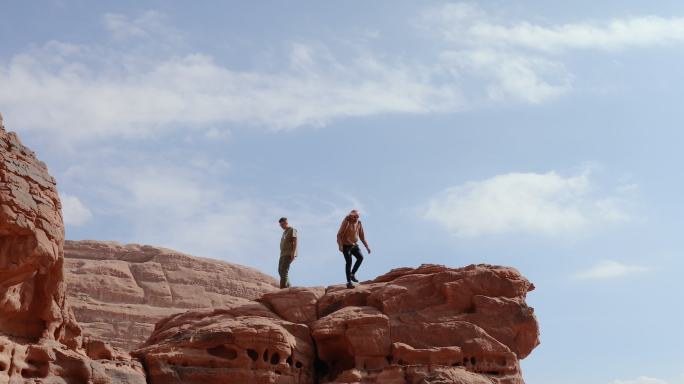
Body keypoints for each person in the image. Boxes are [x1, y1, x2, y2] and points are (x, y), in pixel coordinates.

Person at [336, 210, 371, 288]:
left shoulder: (359, 223)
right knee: (349, 262)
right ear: (351, 216)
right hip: (345, 245)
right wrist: (340, 246)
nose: (355, 218)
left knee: (360, 257)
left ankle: (352, 274)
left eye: (357, 216)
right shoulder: (346, 222)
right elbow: (339, 235)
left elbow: (362, 236)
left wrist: (367, 247)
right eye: (354, 216)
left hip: (354, 245)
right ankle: (349, 282)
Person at [278, 217, 297, 289]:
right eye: (281, 225)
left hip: (288, 253)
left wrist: (293, 253)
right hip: (282, 254)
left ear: (286, 222)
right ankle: (289, 287)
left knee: (284, 271)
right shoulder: (284, 232)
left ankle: (283, 288)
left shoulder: (292, 230)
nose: (282, 226)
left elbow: (295, 241)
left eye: (283, 224)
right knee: (280, 271)